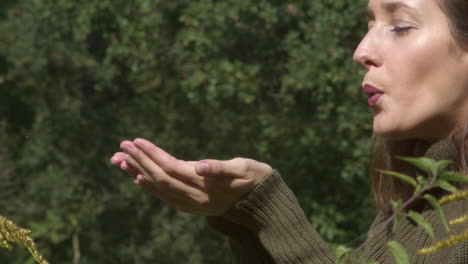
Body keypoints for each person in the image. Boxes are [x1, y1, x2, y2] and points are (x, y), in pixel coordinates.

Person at [111, 0, 468, 263]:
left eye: (401, 26)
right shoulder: (415, 207)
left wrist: (269, 209)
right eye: (369, 24)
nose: (361, 51)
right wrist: (249, 216)